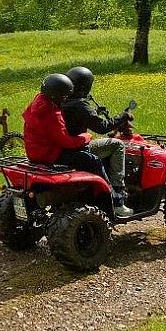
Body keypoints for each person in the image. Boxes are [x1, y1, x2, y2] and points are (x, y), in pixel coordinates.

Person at [62, 66, 134, 218]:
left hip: (63, 147)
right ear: (84, 87)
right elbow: (102, 127)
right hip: (77, 148)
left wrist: (93, 112)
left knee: (103, 143)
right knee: (117, 145)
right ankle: (118, 197)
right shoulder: (80, 105)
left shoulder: (61, 100)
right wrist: (123, 116)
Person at [22, 73, 106, 181]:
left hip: (34, 152)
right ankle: (109, 190)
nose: (66, 99)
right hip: (49, 155)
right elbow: (67, 142)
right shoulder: (52, 114)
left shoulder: (37, 104)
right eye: (65, 96)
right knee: (92, 159)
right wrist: (85, 137)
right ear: (57, 95)